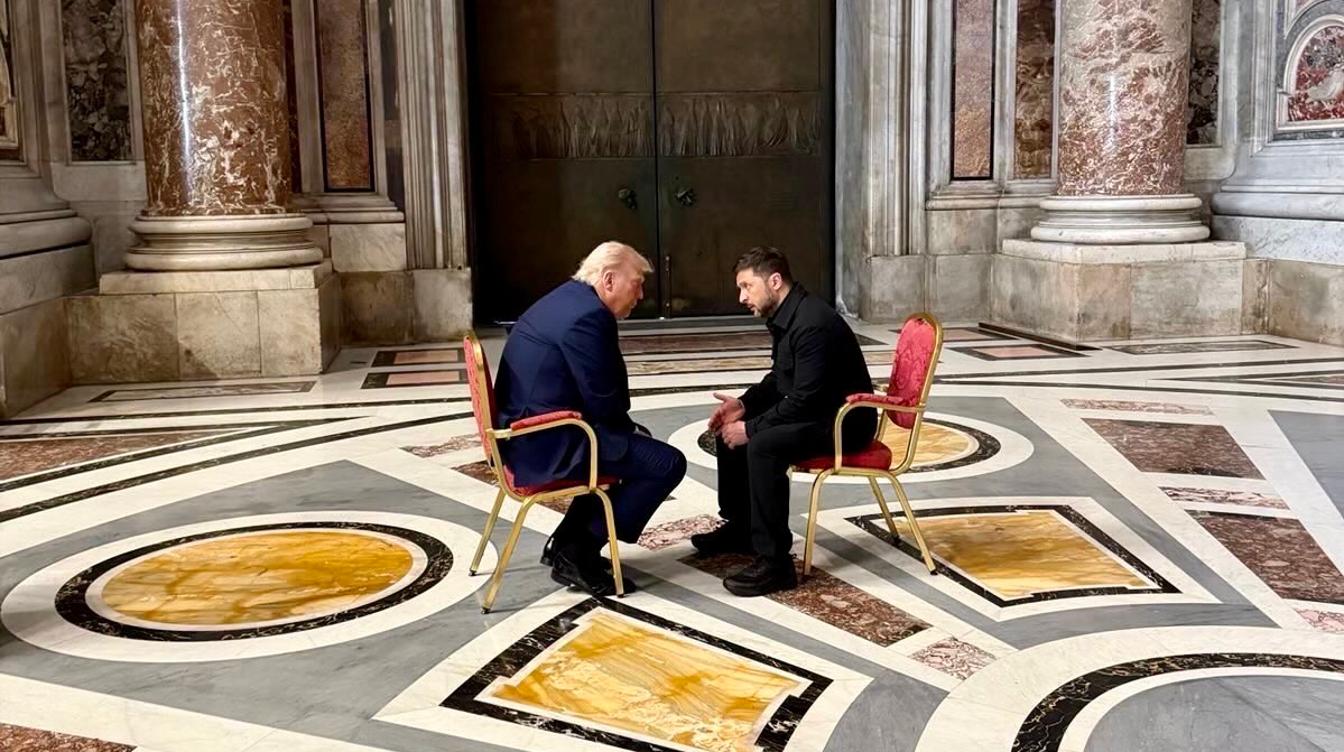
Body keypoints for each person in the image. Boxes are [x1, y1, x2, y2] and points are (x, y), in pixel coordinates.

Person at [494, 241, 687, 595]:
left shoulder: (568, 299)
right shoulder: (588, 316)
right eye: (637, 283)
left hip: (526, 433)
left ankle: (565, 541)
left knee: (629, 446)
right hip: (547, 441)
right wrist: (630, 431)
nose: (641, 294)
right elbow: (605, 400)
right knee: (666, 463)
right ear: (609, 280)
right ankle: (577, 551)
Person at [696, 247, 877, 596]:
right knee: (728, 430)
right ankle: (742, 527)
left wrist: (751, 428)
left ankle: (776, 563)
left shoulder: (812, 323)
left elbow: (804, 400)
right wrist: (743, 406)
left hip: (843, 424)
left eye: (747, 286)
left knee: (762, 445)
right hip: (818, 412)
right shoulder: (788, 315)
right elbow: (781, 381)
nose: (741, 297)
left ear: (775, 281)